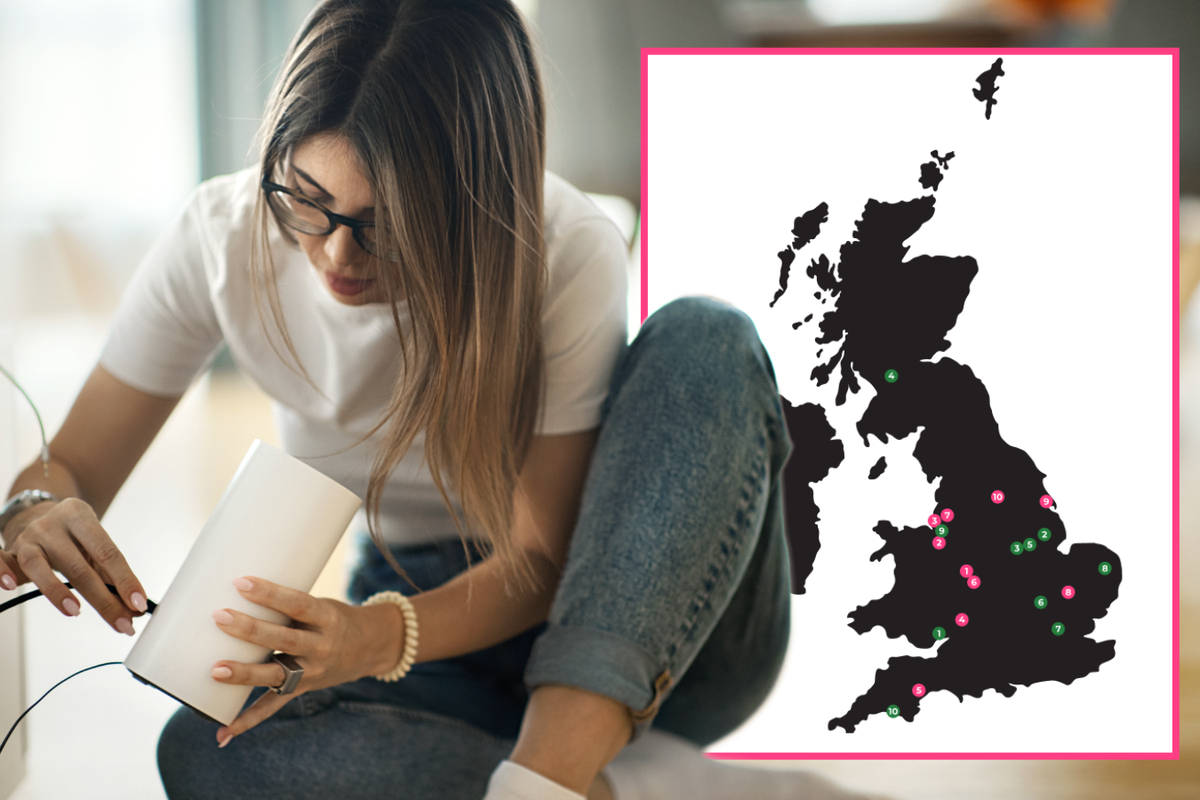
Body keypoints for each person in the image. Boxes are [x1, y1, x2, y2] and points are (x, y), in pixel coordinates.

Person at [0, 2, 882, 799]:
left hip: (645, 615)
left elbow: (541, 559)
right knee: (205, 750)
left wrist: (376, 639)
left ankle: (558, 767)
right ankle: (624, 788)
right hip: (421, 613)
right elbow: (72, 465)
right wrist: (34, 510)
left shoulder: (564, 246)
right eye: (308, 203)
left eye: (386, 225)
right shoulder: (223, 236)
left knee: (707, 335)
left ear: (477, 201)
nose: (338, 257)